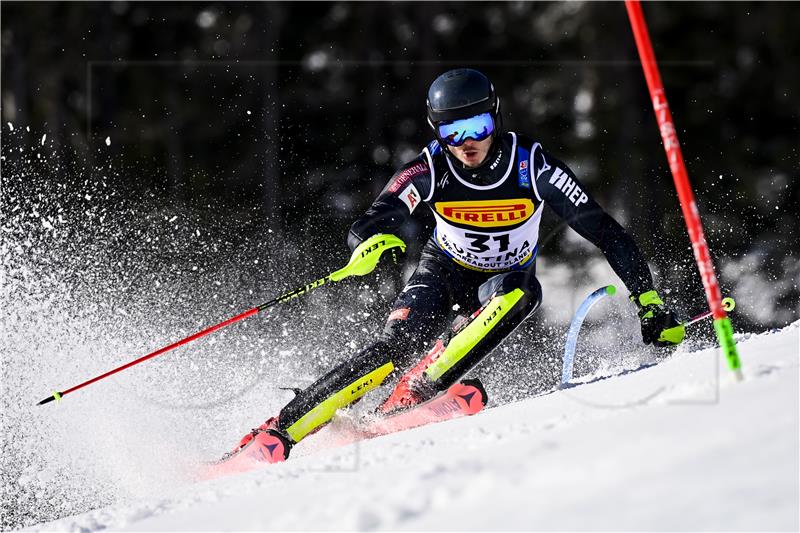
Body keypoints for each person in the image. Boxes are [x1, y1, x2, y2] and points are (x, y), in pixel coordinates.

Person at [235, 68, 685, 462]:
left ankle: (418, 389)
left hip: (502, 278)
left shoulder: (530, 164)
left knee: (523, 293)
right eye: (453, 132)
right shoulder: (432, 169)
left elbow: (605, 230)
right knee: (391, 350)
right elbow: (379, 213)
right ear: (438, 133)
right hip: (444, 271)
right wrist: (369, 241)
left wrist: (647, 300)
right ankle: (278, 433)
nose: (468, 142)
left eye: (478, 125)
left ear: (496, 117)